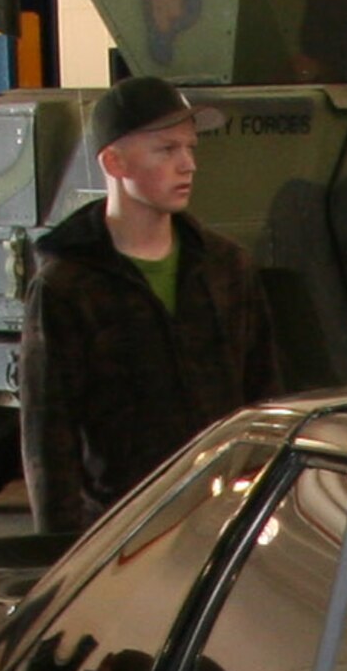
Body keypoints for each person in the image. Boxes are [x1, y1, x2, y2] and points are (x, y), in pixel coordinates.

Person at [19, 74, 280, 536]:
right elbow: (48, 438)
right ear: (115, 162)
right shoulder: (69, 285)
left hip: (223, 524)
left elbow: (265, 401)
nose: (188, 165)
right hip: (123, 535)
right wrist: (61, 560)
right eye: (167, 150)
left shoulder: (225, 268)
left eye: (190, 148)